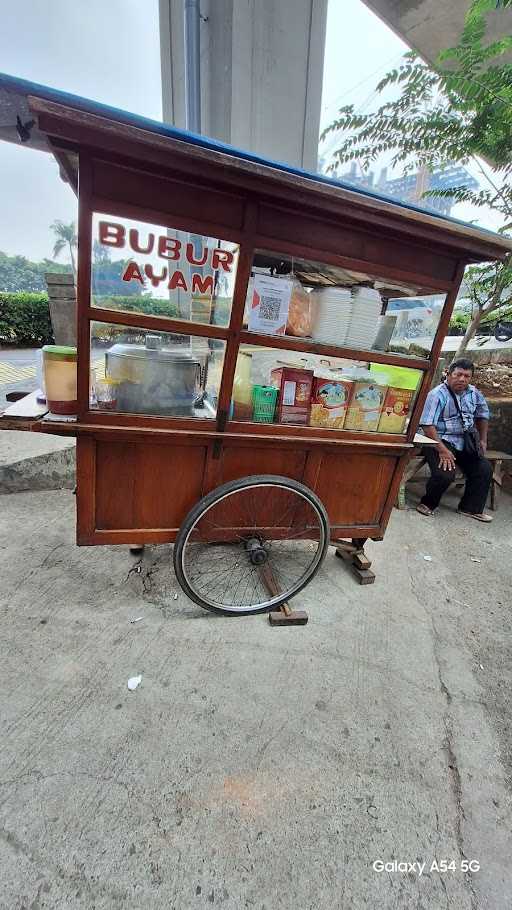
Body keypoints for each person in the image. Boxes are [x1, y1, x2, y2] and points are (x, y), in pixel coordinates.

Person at [417, 358, 493, 522]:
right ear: (449, 375)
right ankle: (428, 503)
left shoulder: (474, 393)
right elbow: (427, 425)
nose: (462, 379)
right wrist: (443, 450)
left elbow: (483, 415)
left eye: (466, 376)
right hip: (438, 440)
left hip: (464, 440)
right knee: (445, 474)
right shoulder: (437, 394)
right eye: (458, 374)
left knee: (484, 469)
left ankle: (470, 508)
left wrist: (483, 440)